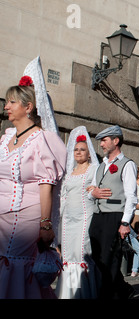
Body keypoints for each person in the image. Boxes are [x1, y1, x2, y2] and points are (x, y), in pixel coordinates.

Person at [0, 72, 66, 298]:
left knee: (17, 264)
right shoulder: (6, 137)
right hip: (2, 217)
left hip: (26, 217)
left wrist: (46, 224)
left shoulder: (41, 139)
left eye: (12, 102)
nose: (6, 106)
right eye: (7, 101)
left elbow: (46, 184)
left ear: (28, 107)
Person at [88, 125, 138, 299]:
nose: (101, 144)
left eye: (104, 140)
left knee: (110, 259)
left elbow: (131, 197)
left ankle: (110, 295)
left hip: (115, 215)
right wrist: (92, 193)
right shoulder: (100, 166)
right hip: (98, 216)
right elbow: (91, 190)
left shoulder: (127, 165)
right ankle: (122, 289)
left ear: (116, 141)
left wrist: (125, 222)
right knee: (97, 259)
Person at [55, 126, 100, 298]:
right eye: (75, 150)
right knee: (68, 254)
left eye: (82, 150)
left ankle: (83, 292)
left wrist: (93, 189)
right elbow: (63, 195)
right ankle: (69, 292)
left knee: (81, 252)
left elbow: (96, 189)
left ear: (89, 153)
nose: (78, 152)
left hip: (84, 216)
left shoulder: (94, 169)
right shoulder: (70, 172)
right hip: (68, 218)